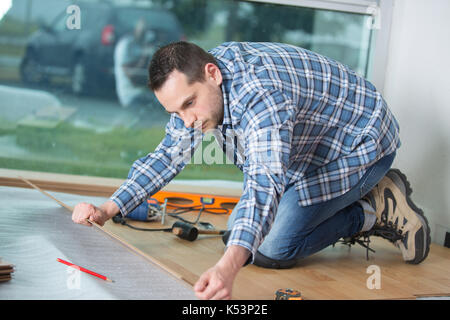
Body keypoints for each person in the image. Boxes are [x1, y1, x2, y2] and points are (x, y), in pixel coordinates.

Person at [72, 41, 430, 300]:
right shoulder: (200, 83)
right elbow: (168, 155)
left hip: (360, 145)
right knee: (244, 242)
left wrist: (227, 269)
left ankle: (372, 209)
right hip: (311, 150)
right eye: (175, 113)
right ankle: (362, 203)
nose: (187, 120)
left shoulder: (261, 95)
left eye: (189, 105)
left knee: (271, 248)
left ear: (212, 73)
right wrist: (108, 208)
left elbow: (264, 181)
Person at [114, 18, 158, 111]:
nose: (144, 34)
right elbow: (132, 76)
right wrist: (144, 57)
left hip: (142, 93)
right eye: (142, 31)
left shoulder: (139, 45)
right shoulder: (126, 45)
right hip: (131, 94)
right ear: (135, 29)